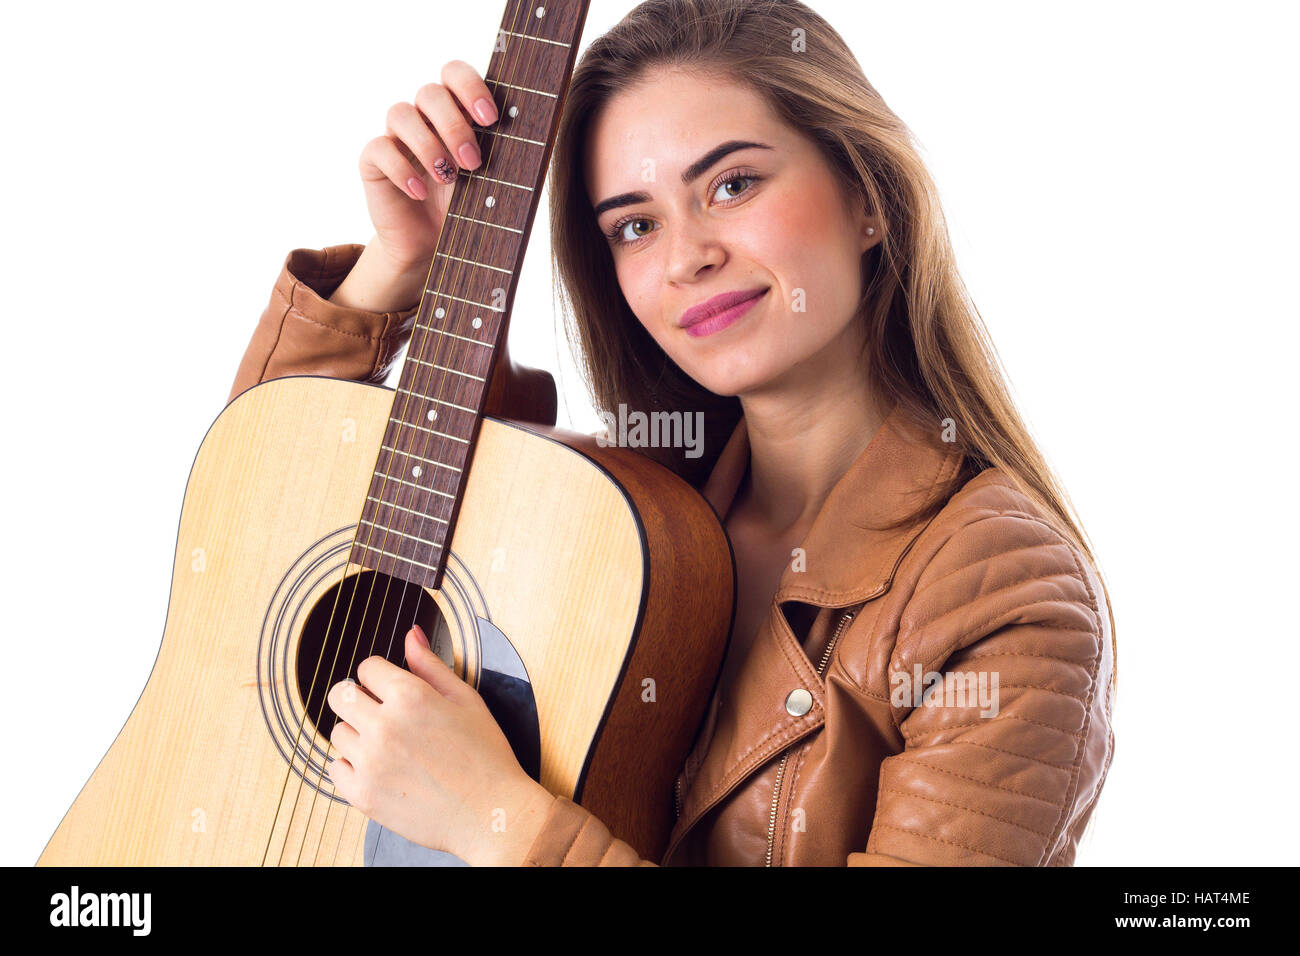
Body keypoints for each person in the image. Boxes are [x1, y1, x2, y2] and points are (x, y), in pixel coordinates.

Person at [228, 0, 1116, 866]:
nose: (686, 256)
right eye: (636, 225)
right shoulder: (620, 516)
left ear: (867, 200)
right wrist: (398, 267)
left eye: (732, 184)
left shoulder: (1002, 595)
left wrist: (500, 823)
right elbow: (249, 527)